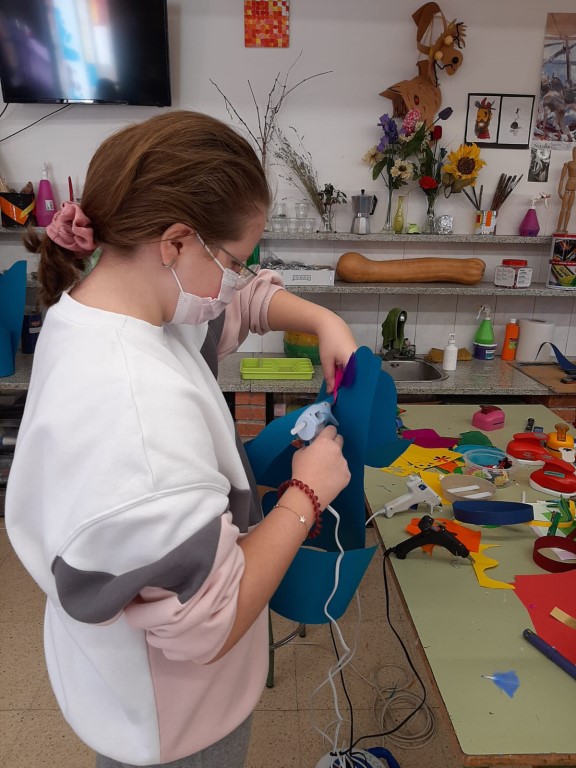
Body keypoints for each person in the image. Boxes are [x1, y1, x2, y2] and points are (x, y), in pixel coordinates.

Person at [5, 110, 356, 768]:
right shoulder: (138, 417)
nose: (236, 281)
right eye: (234, 261)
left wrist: (319, 320)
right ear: (173, 241)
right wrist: (307, 494)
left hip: (117, 679)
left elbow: (231, 306)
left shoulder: (111, 303)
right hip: (174, 721)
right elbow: (209, 626)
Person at [557, 146, 576, 233]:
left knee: (569, 210)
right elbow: (561, 179)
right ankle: (558, 228)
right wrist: (559, 190)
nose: (574, 154)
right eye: (573, 152)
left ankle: (565, 228)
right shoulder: (568, 164)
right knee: (563, 209)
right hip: (567, 189)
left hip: (573, 191)